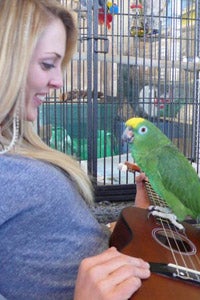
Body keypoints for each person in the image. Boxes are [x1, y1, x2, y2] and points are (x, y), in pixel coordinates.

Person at [0, 1, 150, 299]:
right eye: (47, 64)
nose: (59, 82)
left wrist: (134, 217)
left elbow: (61, 232)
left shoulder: (17, 144)